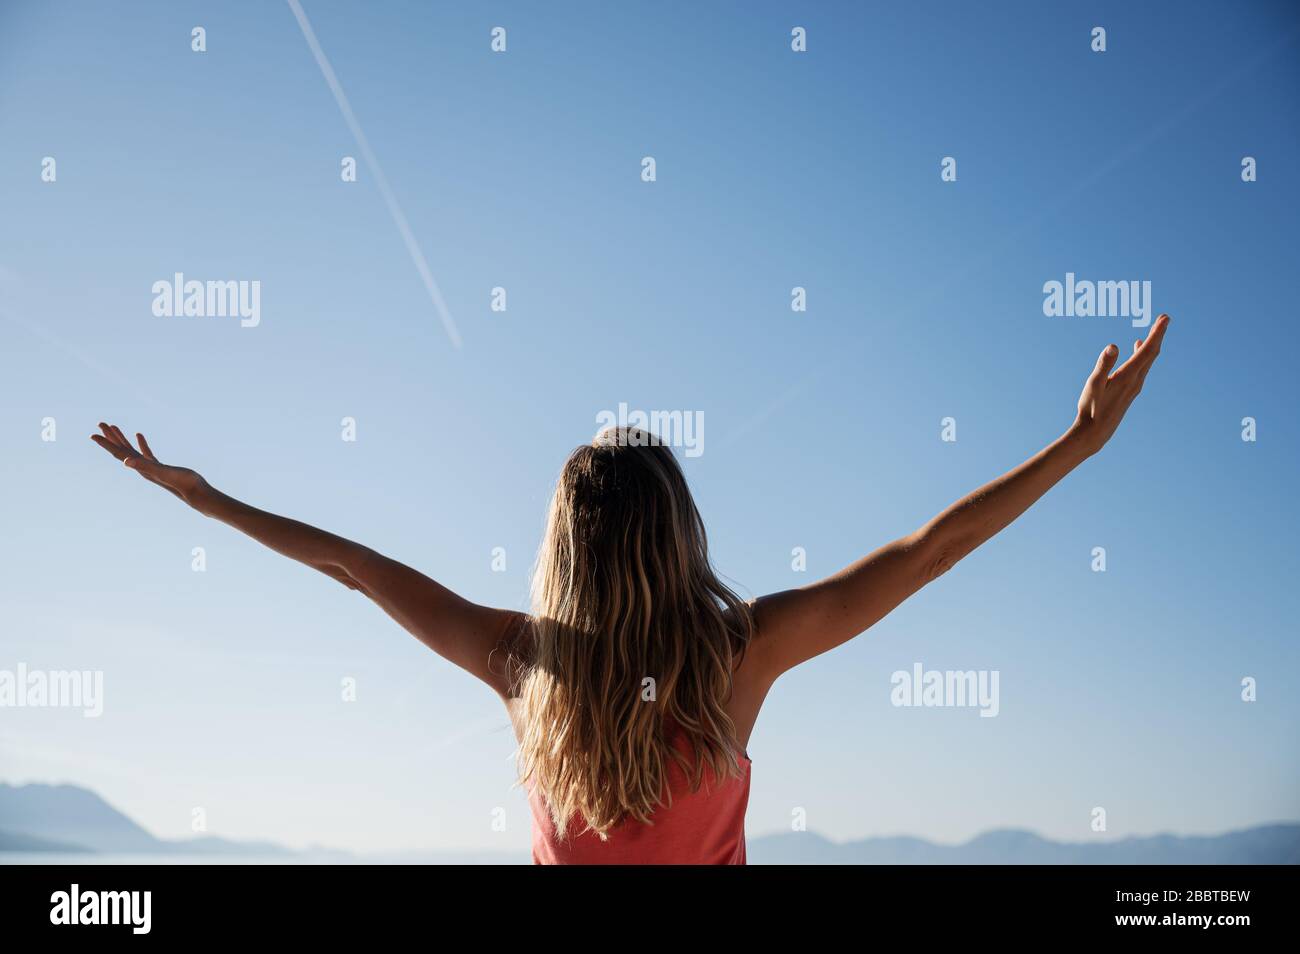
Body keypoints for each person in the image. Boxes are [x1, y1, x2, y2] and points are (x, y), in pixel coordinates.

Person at [90, 314, 1170, 864]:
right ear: (680, 533)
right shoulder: (740, 652)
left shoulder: (521, 663)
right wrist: (1075, 445)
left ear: (563, 549)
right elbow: (928, 550)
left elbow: (354, 566)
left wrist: (210, 502)